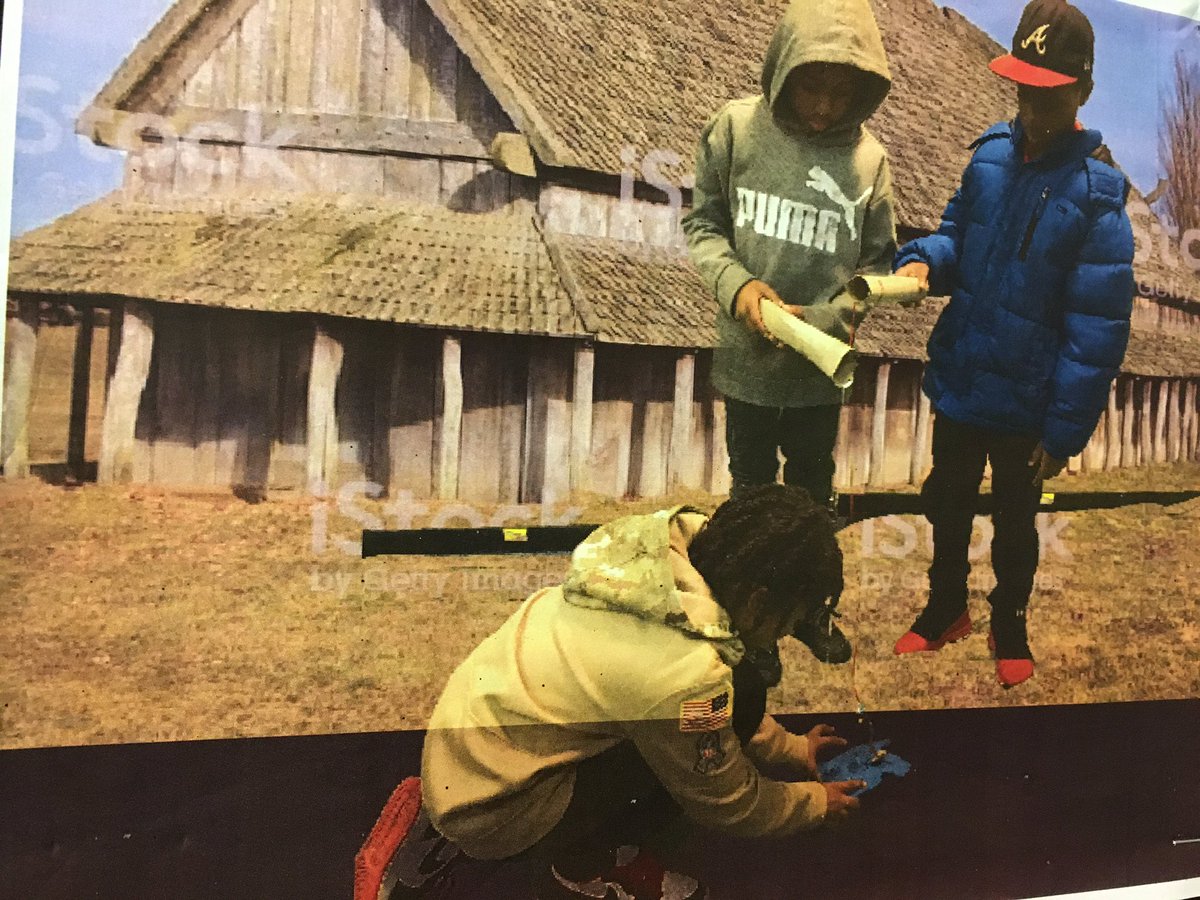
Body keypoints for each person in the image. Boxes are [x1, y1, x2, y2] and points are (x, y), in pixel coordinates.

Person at [414, 486, 864, 900]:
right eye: (794, 617)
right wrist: (813, 804)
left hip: (467, 763)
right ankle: (587, 864)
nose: (788, 632)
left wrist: (791, 750)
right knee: (722, 712)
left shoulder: (649, 561)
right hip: (498, 813)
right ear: (756, 601)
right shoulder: (685, 674)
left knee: (734, 693)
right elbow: (724, 802)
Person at [891, 0, 1134, 687]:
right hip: (964, 377)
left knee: (1017, 525)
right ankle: (944, 610)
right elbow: (955, 237)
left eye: (1051, 93)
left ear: (1083, 91)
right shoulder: (990, 155)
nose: (1034, 106)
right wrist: (924, 260)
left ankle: (1010, 622)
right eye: (1025, 88)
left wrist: (1063, 433)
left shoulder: (1098, 196)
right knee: (945, 501)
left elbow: (1097, 331)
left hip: (1027, 407)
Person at [681, 0, 898, 670]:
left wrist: (830, 322)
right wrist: (741, 289)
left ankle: (810, 612)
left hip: (817, 373)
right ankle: (751, 627)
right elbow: (704, 228)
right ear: (783, 68)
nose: (826, 107)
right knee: (750, 495)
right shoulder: (736, 130)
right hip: (747, 362)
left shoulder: (868, 162)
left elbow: (878, 266)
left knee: (811, 500)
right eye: (812, 86)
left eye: (842, 93)